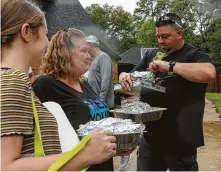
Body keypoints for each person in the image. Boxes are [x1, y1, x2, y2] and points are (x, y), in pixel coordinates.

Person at [1, 0, 117, 171]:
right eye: (45, 35)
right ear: (26, 32)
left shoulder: (13, 79)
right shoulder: (13, 80)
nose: (49, 44)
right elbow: (6, 167)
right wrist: (85, 155)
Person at [119, 13, 216, 171]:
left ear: (180, 34)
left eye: (165, 36)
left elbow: (209, 73)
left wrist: (169, 66)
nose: (160, 41)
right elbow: (132, 74)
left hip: (182, 140)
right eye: (158, 36)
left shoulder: (194, 54)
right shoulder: (152, 54)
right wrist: (124, 76)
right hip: (151, 137)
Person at [32, 28, 116, 171]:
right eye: (84, 51)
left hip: (104, 165)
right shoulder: (46, 84)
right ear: (65, 53)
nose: (89, 56)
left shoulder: (84, 83)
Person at [86, 35, 115, 109]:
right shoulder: (94, 59)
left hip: (103, 105)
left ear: (90, 45)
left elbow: (106, 79)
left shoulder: (103, 57)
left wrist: (101, 100)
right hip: (96, 103)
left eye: (86, 46)